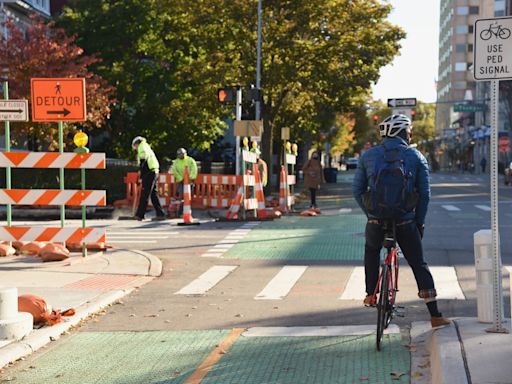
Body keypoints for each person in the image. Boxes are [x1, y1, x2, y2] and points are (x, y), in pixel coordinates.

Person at [352, 114, 450, 328]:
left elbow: (357, 190)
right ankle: (435, 315)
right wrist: (419, 222)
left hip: (376, 221)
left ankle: (370, 294)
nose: (410, 133)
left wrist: (370, 214)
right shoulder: (415, 156)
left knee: (371, 251)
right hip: (406, 222)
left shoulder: (368, 156)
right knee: (418, 263)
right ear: (404, 132)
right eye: (409, 130)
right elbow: (424, 194)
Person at [131, 136, 166, 221]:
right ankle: (160, 213)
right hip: (154, 171)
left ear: (136, 144)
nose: (135, 149)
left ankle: (140, 215)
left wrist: (141, 174)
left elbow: (144, 161)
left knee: (145, 194)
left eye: (135, 146)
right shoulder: (146, 146)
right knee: (153, 194)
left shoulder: (142, 147)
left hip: (149, 172)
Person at [170, 148, 198, 215]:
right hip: (180, 181)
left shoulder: (190, 160)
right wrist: (181, 179)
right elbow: (174, 171)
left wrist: (190, 178)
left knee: (187, 197)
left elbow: (194, 169)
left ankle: (185, 211)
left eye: (182, 154)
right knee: (181, 196)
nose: (181, 156)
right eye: (179, 154)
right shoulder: (176, 162)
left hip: (189, 182)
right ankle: (181, 211)